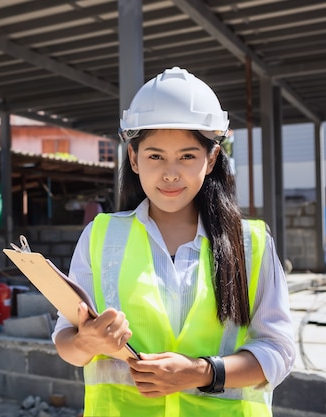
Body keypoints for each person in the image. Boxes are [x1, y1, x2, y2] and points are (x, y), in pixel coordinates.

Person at [52, 67, 295, 416]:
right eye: (155, 156)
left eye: (187, 156)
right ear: (134, 158)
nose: (170, 172)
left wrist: (200, 373)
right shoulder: (101, 236)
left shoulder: (250, 243)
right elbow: (67, 342)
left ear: (210, 159)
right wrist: (86, 342)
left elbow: (279, 352)